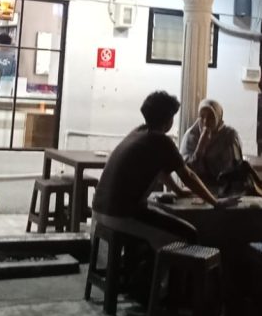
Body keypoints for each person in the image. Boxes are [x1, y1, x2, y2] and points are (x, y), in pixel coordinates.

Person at [92, 91, 234, 248]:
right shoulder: (161, 141)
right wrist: (215, 202)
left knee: (160, 219)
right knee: (189, 234)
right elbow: (188, 176)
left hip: (99, 209)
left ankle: (143, 261)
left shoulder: (137, 132)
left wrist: (178, 191)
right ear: (168, 120)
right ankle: (163, 264)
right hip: (122, 215)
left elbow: (161, 170)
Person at [180, 98, 248, 194]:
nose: (205, 121)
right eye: (202, 116)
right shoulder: (191, 135)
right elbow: (184, 169)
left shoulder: (229, 136)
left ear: (219, 118)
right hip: (196, 187)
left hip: (224, 188)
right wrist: (200, 147)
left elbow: (234, 168)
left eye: (211, 117)